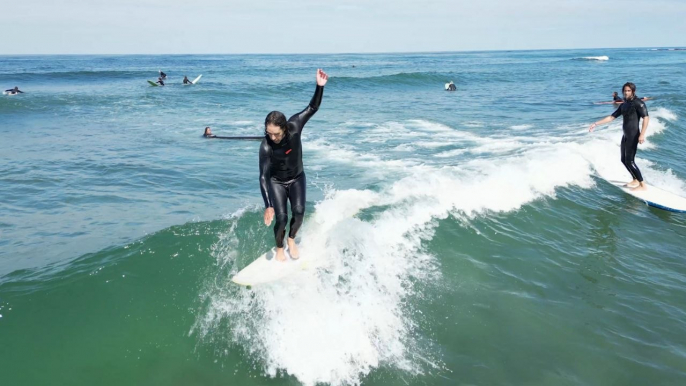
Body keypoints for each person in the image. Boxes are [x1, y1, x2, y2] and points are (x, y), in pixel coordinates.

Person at [259, 69, 328, 262]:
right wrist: (268, 205)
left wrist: (319, 87)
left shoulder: (295, 125)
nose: (272, 137)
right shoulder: (265, 146)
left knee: (298, 212)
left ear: (284, 128)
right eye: (268, 133)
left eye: (276, 134)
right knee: (281, 217)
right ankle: (279, 247)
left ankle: (291, 239)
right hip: (276, 182)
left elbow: (312, 108)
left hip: (297, 177)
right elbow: (263, 176)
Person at [589, 82, 650, 191]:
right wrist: (596, 123)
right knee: (623, 160)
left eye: (628, 91)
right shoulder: (623, 105)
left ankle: (642, 185)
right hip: (626, 135)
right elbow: (612, 117)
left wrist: (642, 134)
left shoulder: (638, 103)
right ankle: (635, 179)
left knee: (630, 161)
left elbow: (646, 118)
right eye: (625, 91)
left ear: (633, 92)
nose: (626, 93)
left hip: (633, 135)